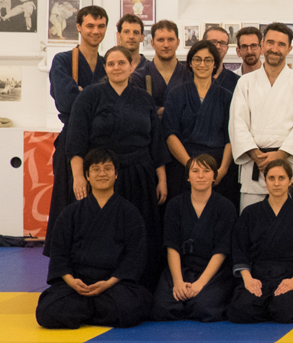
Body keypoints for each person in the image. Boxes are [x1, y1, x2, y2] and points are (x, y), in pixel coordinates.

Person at [64, 46, 170, 290]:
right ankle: (97, 279)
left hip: (139, 174)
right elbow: (76, 142)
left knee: (139, 229)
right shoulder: (90, 96)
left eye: (121, 63)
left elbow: (156, 143)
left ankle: (138, 283)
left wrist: (161, 179)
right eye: (111, 64)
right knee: (103, 228)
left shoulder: (144, 98)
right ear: (105, 67)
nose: (116, 68)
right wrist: (78, 177)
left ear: (132, 66)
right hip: (102, 174)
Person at [36, 149, 152, 329]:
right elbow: (59, 253)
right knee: (46, 312)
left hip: (113, 284)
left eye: (107, 169)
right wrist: (71, 281)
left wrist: (109, 282)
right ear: (87, 176)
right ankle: (95, 311)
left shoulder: (129, 212)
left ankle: (82, 312)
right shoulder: (71, 213)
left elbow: (135, 256)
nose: (102, 173)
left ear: (116, 174)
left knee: (130, 308)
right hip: (77, 283)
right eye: (96, 169)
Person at [229, 23, 293, 210]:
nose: (274, 49)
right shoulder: (245, 82)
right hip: (255, 166)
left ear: (289, 49)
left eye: (281, 44)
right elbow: (237, 123)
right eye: (270, 42)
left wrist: (281, 155)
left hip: (287, 167)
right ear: (262, 45)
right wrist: (255, 154)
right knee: (252, 225)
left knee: (289, 226)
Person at [226, 159, 293, 324]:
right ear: (265, 181)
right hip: (259, 275)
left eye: (281, 178)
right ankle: (269, 305)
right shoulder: (250, 213)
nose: (276, 183)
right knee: (240, 310)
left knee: (289, 310)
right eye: (271, 178)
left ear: (290, 181)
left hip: (291, 274)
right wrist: (248, 279)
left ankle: (271, 305)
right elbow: (239, 249)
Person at [151, 154, 238, 322]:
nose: (200, 176)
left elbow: (222, 250)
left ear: (214, 176)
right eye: (195, 171)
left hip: (213, 271)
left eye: (206, 171)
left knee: (203, 308)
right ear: (188, 177)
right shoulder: (175, 205)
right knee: (162, 308)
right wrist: (178, 281)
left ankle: (198, 295)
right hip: (182, 268)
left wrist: (200, 283)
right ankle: (183, 291)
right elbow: (172, 246)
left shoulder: (225, 207)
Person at [47, 5, 107, 242]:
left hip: (102, 144)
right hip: (72, 140)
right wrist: (96, 99)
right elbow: (67, 100)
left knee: (101, 207)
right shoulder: (62, 61)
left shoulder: (107, 64)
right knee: (68, 203)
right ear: (79, 27)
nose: (95, 31)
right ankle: (66, 264)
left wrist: (83, 93)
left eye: (100, 26)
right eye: (90, 25)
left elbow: (112, 104)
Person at [164, 40, 238, 207]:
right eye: (197, 59)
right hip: (184, 166)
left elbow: (231, 137)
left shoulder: (226, 96)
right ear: (190, 63)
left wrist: (223, 169)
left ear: (215, 64)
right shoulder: (176, 94)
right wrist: (192, 167)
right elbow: (170, 134)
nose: (202, 64)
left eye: (208, 60)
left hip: (217, 167)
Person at [132, 20, 190, 115]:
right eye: (160, 40)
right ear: (152, 43)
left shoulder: (189, 75)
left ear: (178, 42)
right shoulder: (138, 78)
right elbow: (138, 109)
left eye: (171, 39)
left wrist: (157, 110)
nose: (166, 45)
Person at [202, 26, 241, 92]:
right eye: (213, 42)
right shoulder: (189, 78)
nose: (218, 46)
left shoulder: (238, 82)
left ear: (227, 49)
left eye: (223, 43)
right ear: (202, 45)